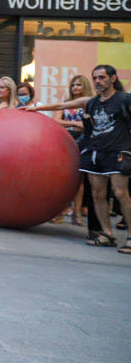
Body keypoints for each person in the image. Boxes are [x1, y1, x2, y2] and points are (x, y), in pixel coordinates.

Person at [25, 65, 131, 252]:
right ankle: (107, 234)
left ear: (113, 78)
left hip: (117, 152)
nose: (98, 81)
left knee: (121, 194)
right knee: (97, 195)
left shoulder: (124, 99)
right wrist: (35, 108)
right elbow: (61, 106)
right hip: (95, 152)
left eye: (102, 77)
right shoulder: (91, 101)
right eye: (95, 78)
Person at [56, 74, 91, 225]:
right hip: (65, 140)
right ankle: (60, 212)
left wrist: (72, 124)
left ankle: (77, 213)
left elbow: (87, 125)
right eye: (73, 85)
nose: (75, 88)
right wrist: (76, 124)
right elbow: (56, 120)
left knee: (79, 179)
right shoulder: (66, 103)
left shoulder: (89, 103)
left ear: (85, 86)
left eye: (78, 85)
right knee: (63, 178)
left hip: (83, 141)